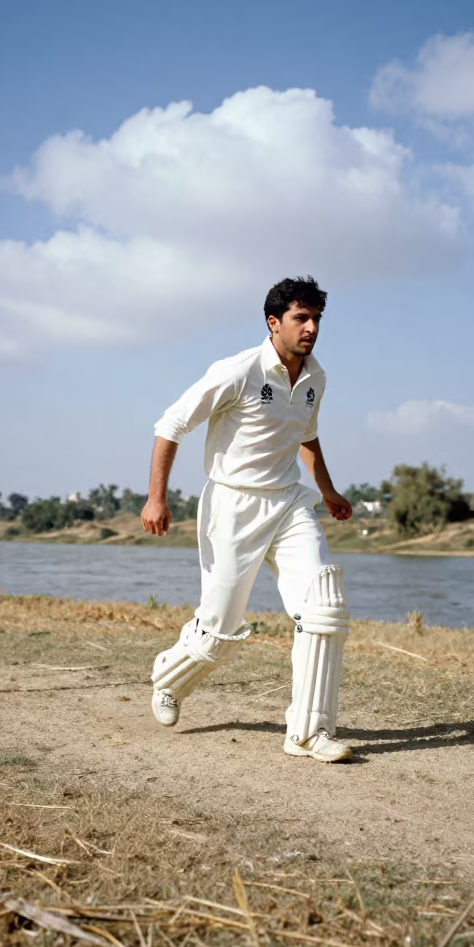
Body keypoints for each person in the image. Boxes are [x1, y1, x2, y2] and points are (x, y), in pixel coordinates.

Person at [140, 276, 354, 762]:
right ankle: (170, 677)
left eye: (317, 318)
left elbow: (307, 434)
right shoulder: (237, 370)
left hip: (288, 502)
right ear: (273, 322)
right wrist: (157, 498)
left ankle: (308, 733)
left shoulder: (316, 377)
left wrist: (326, 489)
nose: (312, 327)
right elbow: (170, 425)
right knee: (219, 630)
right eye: (302, 318)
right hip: (232, 505)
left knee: (322, 607)